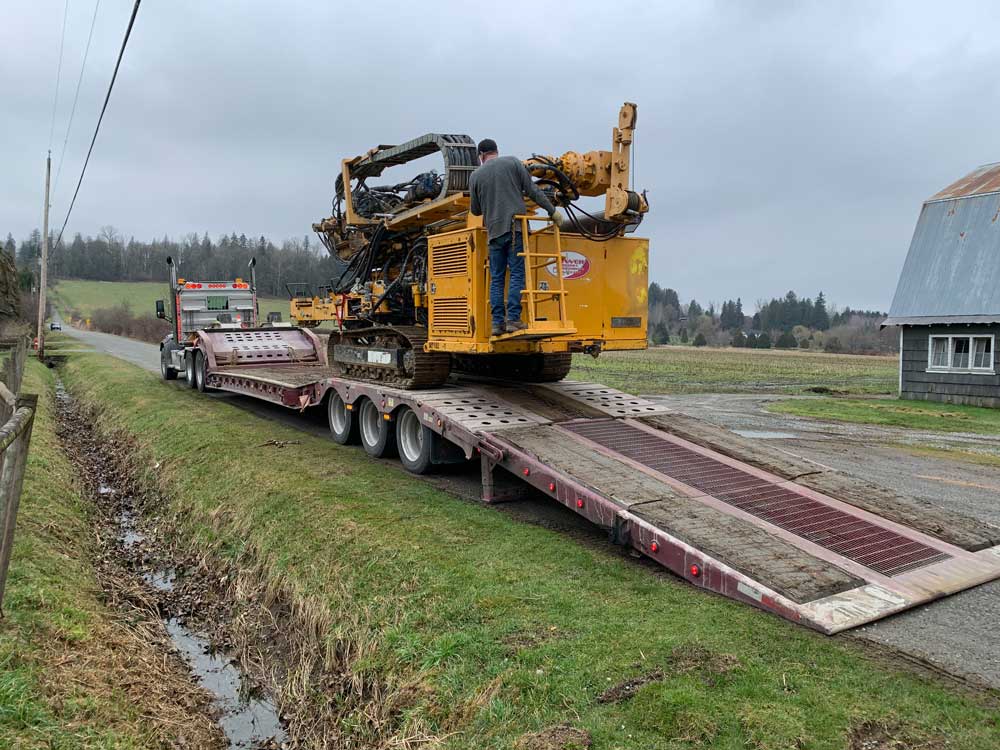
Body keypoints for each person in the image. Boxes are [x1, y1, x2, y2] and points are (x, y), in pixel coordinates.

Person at [469, 138, 564, 336]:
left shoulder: (475, 176)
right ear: (496, 151)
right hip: (515, 228)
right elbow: (533, 190)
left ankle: (497, 323)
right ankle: (513, 319)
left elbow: (476, 210)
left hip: (494, 233)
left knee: (496, 278)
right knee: (517, 273)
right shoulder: (513, 162)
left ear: (481, 156)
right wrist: (552, 211)